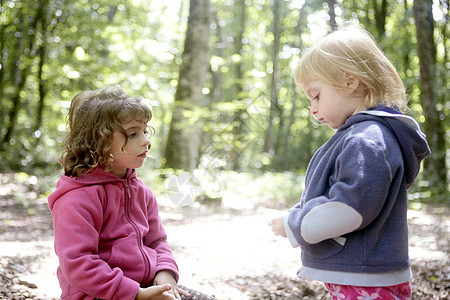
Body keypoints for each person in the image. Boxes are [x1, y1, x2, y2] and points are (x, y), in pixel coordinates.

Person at [269, 25, 430, 300]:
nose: (313, 108)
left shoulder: (366, 139)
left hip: (366, 279)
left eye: (316, 95)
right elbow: (335, 193)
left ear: (349, 81)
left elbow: (349, 208)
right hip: (363, 275)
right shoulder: (363, 135)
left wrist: (294, 223)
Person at [48, 85, 214, 300]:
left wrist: (165, 273)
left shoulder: (141, 191)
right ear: (99, 141)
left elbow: (157, 241)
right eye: (133, 134)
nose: (146, 140)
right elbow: (79, 264)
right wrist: (136, 294)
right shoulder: (77, 198)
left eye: (145, 131)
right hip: (100, 294)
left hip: (145, 287)